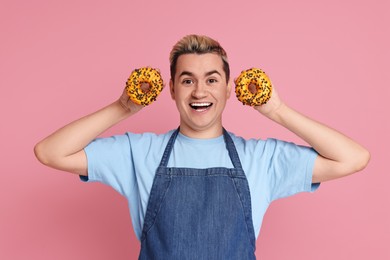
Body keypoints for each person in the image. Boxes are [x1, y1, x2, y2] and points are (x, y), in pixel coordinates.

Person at [34, 34, 370, 259]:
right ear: (171, 90)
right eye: (187, 80)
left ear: (228, 90)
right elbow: (50, 152)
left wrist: (277, 111)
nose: (199, 92)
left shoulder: (261, 158)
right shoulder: (138, 153)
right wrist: (123, 107)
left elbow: (354, 158)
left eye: (211, 80)